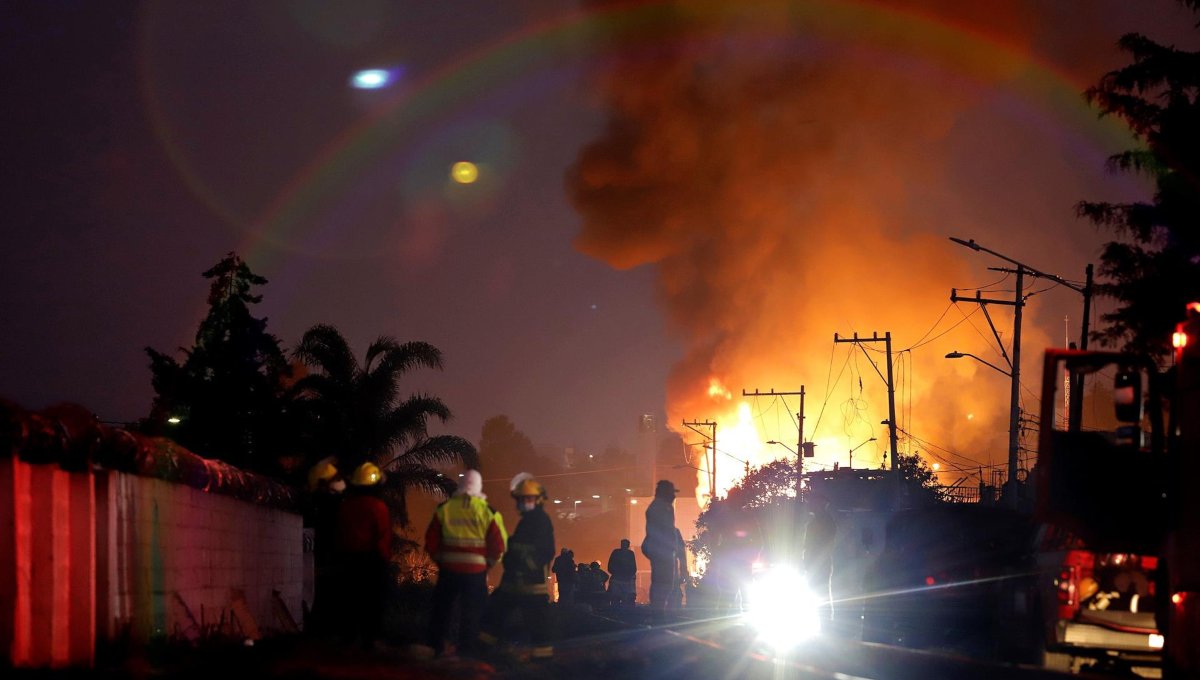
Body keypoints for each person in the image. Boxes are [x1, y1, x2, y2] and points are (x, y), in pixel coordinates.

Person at [424, 469, 507, 657]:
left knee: (442, 611)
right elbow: (498, 546)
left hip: (448, 570)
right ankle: (467, 651)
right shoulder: (488, 512)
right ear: (479, 486)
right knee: (472, 613)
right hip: (475, 572)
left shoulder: (444, 508)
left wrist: (441, 560)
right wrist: (487, 565)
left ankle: (435, 647)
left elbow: (431, 540)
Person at [480, 473, 556, 660]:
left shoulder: (540, 520)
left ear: (538, 500)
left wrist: (525, 564)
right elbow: (517, 546)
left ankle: (543, 660)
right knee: (494, 614)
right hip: (514, 581)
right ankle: (482, 651)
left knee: (536, 623)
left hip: (531, 583)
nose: (523, 503)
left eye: (527, 499)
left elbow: (545, 550)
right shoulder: (528, 520)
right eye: (521, 499)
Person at [334, 461, 392, 649]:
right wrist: (384, 561)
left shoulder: (345, 506)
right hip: (372, 561)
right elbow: (382, 536)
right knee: (372, 602)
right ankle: (369, 639)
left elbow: (340, 534)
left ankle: (348, 637)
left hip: (348, 560)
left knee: (349, 600)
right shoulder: (378, 507)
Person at [304, 456, 345, 635]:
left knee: (320, 592)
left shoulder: (314, 502)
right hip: (328, 555)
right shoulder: (330, 503)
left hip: (321, 556)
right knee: (327, 592)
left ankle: (321, 627)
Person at [643, 479, 680, 620]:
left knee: (664, 583)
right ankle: (658, 613)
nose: (674, 496)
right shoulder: (660, 508)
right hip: (661, 551)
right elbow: (664, 531)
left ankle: (659, 612)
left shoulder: (661, 507)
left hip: (663, 550)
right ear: (665, 493)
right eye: (671, 492)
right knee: (662, 582)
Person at [803, 499, 837, 629]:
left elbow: (815, 545)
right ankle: (825, 624)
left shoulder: (823, 522)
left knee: (821, 593)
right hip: (817, 562)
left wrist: (808, 561)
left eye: (811, 502)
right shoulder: (822, 521)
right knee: (819, 592)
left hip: (819, 563)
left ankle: (825, 624)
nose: (808, 505)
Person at [607, 539, 638, 608]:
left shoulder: (630, 554)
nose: (623, 546)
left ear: (628, 546)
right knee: (615, 598)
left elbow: (633, 567)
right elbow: (610, 565)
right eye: (622, 544)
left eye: (625, 544)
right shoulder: (617, 552)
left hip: (626, 580)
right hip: (618, 579)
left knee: (627, 599)